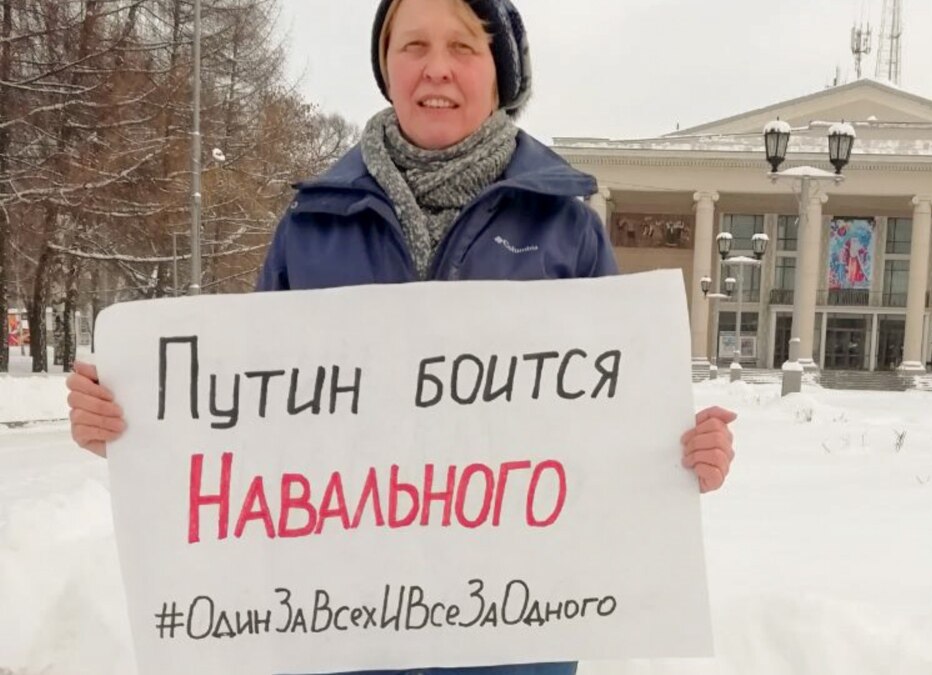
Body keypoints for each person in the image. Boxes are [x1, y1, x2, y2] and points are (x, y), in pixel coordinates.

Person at [64, 1, 738, 674]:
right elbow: (250, 422)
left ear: (500, 72)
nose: (436, 68)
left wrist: (675, 456)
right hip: (343, 630)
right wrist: (140, 427)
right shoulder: (312, 227)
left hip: (513, 635)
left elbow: (611, 426)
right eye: (412, 45)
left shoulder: (567, 231)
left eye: (463, 47)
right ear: (386, 65)